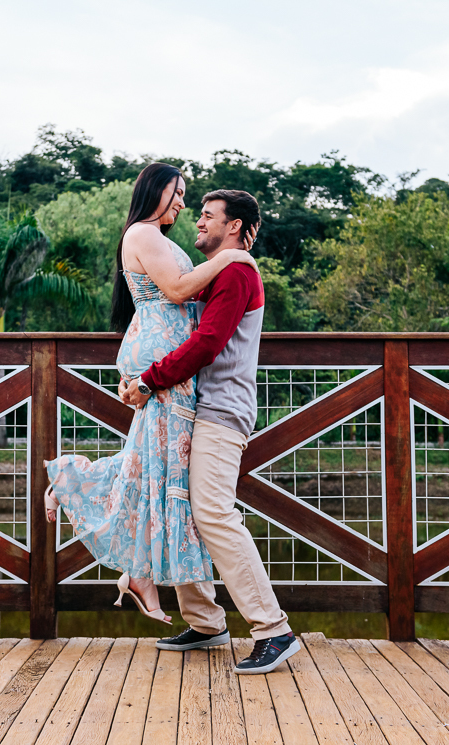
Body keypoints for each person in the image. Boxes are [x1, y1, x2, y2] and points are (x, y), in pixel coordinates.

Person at [43, 162, 256, 623]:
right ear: (154, 190)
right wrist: (230, 257)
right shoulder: (143, 233)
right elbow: (178, 290)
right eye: (177, 192)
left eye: (186, 196)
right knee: (160, 467)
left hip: (167, 363)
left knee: (154, 464)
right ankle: (74, 488)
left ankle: (140, 571)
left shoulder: (156, 238)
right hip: (164, 362)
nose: (183, 203)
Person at [118, 188, 299, 675]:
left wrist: (149, 380)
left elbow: (207, 342)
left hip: (221, 409)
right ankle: (205, 623)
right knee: (183, 507)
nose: (197, 221)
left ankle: (273, 629)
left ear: (234, 226)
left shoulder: (237, 273)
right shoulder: (216, 273)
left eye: (207, 215)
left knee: (214, 513)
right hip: (193, 408)